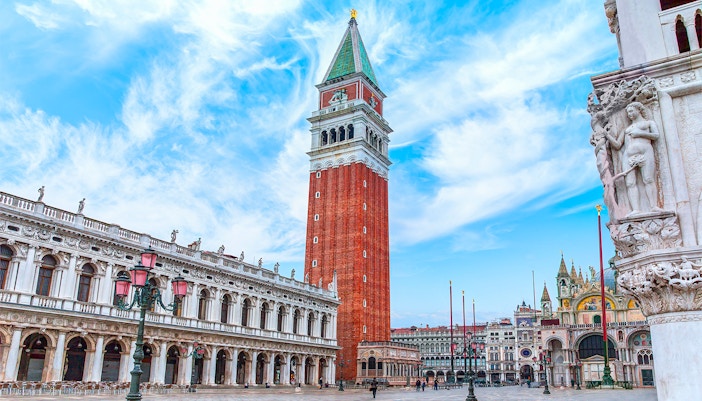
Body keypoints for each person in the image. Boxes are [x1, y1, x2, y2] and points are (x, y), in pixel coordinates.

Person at [606, 101, 660, 215]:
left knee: (648, 179)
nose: (629, 114)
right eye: (627, 112)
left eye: (631, 111)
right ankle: (636, 209)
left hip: (645, 152)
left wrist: (640, 134)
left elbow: (656, 135)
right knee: (630, 183)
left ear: (638, 110)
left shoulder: (648, 123)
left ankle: (654, 206)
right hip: (628, 156)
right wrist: (606, 135)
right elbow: (617, 145)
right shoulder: (627, 129)